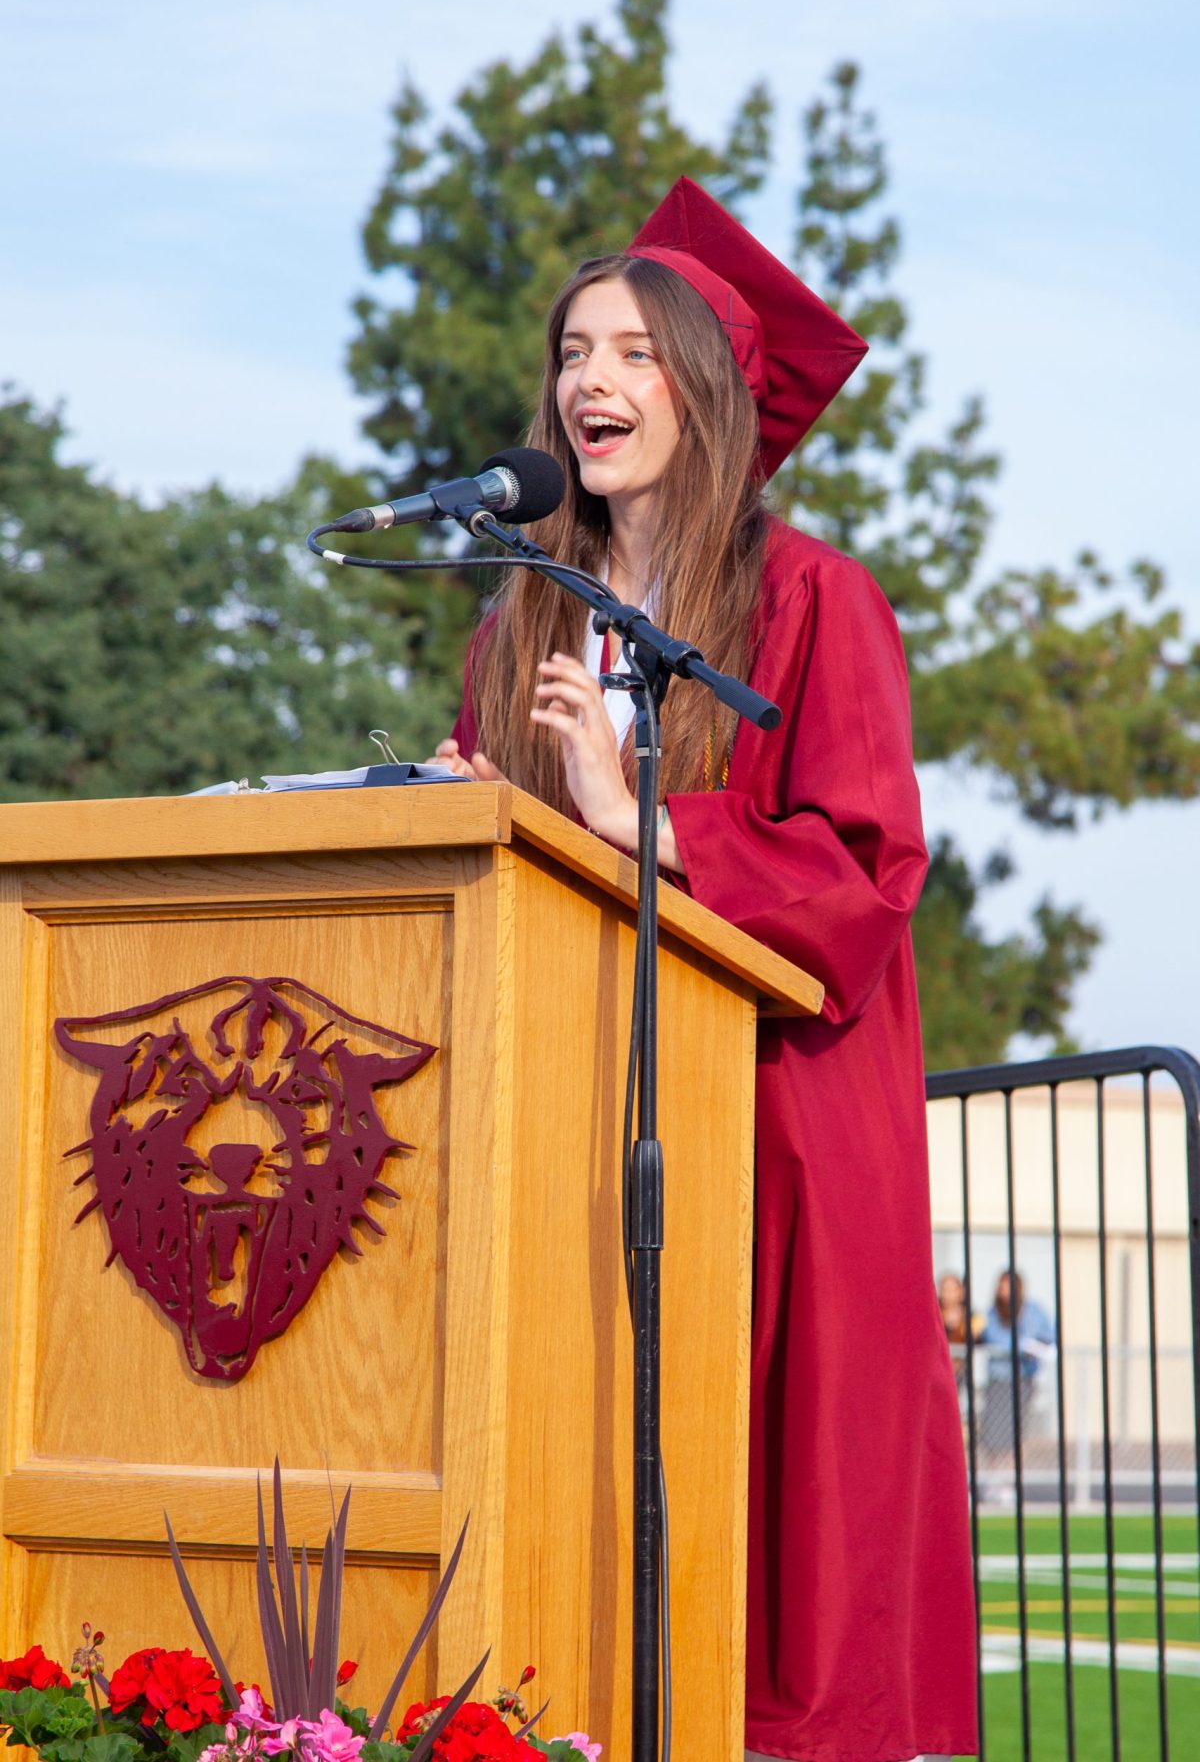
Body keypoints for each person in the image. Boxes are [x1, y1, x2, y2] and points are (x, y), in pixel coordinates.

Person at [432, 177, 977, 1762]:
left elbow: (866, 878)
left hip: (781, 1150)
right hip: (571, 1151)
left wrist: (639, 817)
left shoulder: (812, 601)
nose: (588, 383)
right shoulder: (523, 623)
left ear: (712, 394)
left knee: (778, 1580)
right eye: (571, 354)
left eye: (631, 354)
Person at [981, 1268, 1056, 1454]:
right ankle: (996, 1473)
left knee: (1018, 1427)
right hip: (999, 1377)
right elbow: (994, 1338)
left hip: (1024, 1376)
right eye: (1002, 1286)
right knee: (995, 1428)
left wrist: (1035, 1346)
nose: (1005, 1291)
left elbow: (1048, 1335)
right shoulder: (992, 1314)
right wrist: (1022, 1344)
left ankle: (1013, 1471)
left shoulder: (1033, 1311)